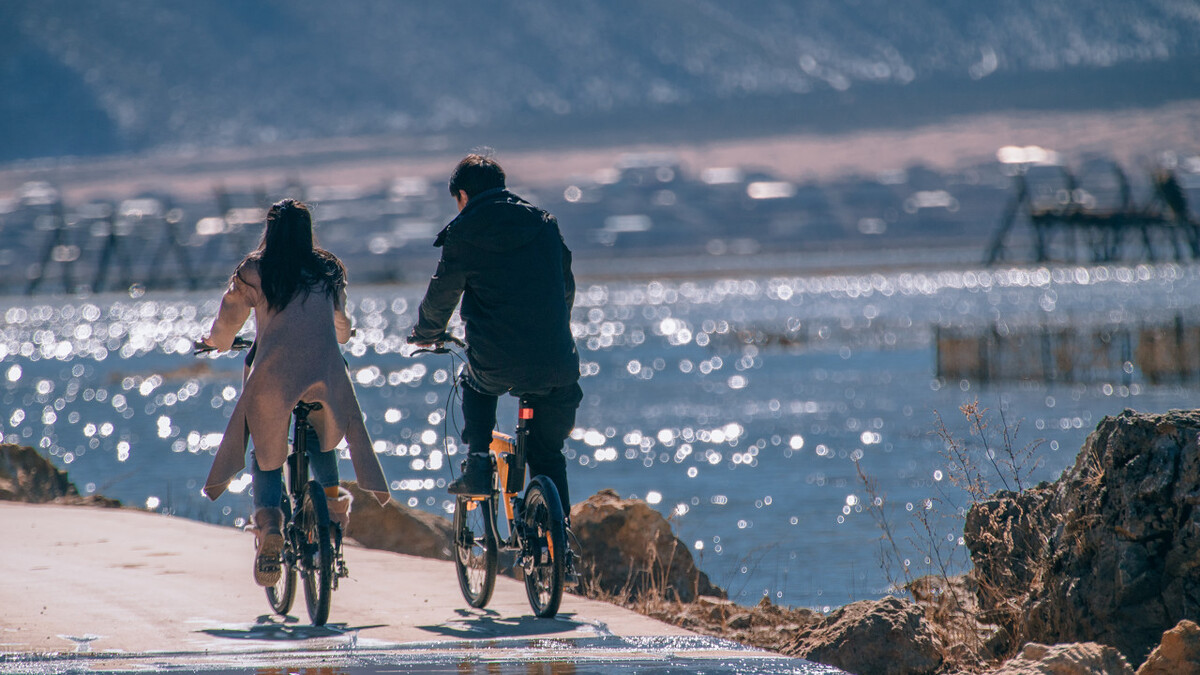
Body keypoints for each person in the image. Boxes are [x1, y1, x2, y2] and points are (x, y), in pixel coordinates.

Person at [199, 198, 390, 587]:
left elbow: (227, 322)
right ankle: (332, 520)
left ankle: (270, 525)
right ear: (308, 230)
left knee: (267, 454)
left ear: (269, 230)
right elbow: (341, 325)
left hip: (273, 378)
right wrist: (342, 335)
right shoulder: (327, 269)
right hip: (324, 374)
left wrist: (216, 343)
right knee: (324, 440)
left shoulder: (254, 270)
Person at [408, 152, 582, 520]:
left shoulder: (463, 232)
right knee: (548, 455)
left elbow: (442, 294)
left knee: (473, 380)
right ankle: (560, 550)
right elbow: (566, 287)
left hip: (495, 362)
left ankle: (477, 464)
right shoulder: (544, 223)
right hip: (557, 362)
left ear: (463, 196)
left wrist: (426, 332)